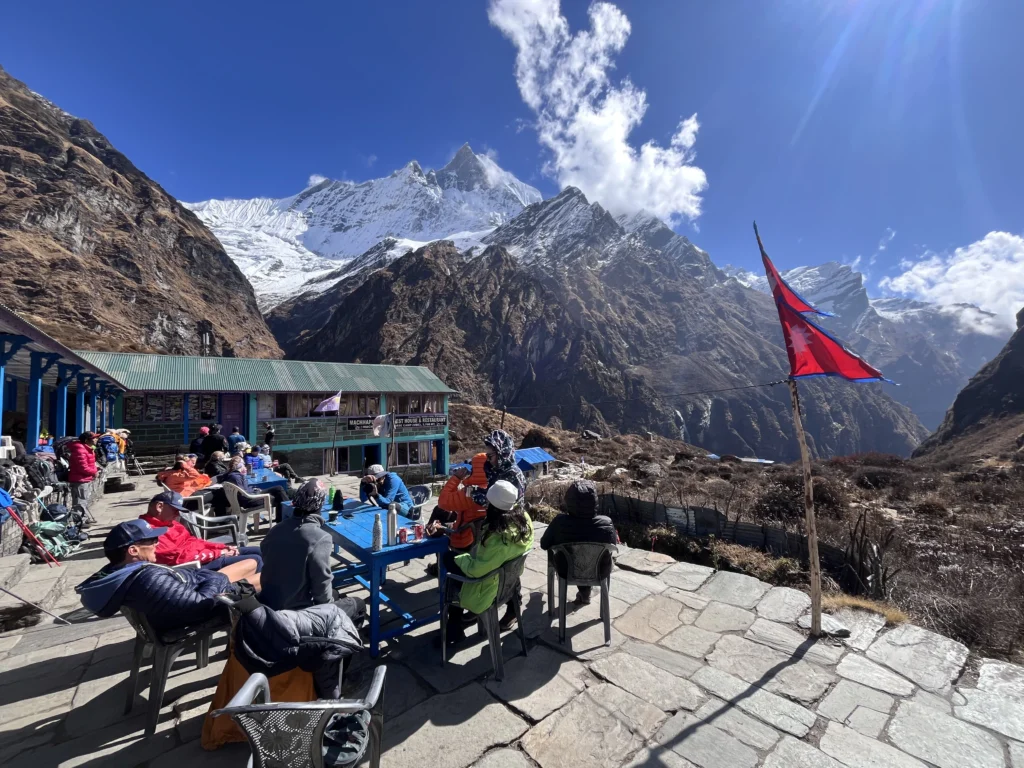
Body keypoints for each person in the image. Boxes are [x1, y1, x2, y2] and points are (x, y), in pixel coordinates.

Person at [75, 519, 236, 635]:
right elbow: (200, 606)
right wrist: (218, 577)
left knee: (251, 562)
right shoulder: (147, 578)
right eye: (152, 540)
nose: (157, 544)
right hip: (201, 610)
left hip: (186, 596)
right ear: (133, 551)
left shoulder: (119, 573)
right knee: (257, 578)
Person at [259, 479, 366, 626]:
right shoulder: (320, 538)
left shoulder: (275, 530)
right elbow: (321, 584)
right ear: (320, 504)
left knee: (334, 592)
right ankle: (337, 640)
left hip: (270, 603)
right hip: (297, 615)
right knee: (358, 604)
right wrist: (330, 609)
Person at [440, 480, 533, 646]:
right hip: (507, 583)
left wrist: (460, 558)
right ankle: (457, 625)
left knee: (449, 562)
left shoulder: (499, 537)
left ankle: (454, 627)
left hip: (488, 587)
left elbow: (476, 570)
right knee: (457, 562)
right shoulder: (523, 519)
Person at [140, 491, 263, 588]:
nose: (177, 514)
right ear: (159, 506)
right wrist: (217, 554)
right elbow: (178, 558)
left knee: (258, 550)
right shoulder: (149, 532)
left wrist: (221, 547)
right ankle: (258, 591)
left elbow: (193, 541)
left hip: (203, 556)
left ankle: (264, 583)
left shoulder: (170, 523)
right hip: (194, 567)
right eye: (175, 510)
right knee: (256, 559)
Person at [468, 430, 526, 628]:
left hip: (510, 525)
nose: (489, 459)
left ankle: (513, 607)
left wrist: (480, 496)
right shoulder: (496, 470)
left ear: (502, 453)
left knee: (509, 568)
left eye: (491, 455)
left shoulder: (513, 475)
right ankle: (481, 601)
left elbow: (505, 502)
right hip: (497, 521)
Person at [540, 479, 617, 605]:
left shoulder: (559, 522)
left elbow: (544, 544)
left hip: (566, 571)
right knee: (589, 556)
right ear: (595, 501)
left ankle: (582, 593)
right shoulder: (606, 523)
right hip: (598, 571)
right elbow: (613, 546)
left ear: (569, 501)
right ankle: (585, 592)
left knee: (564, 554)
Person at [423, 454, 489, 577]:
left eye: (472, 467)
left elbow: (443, 501)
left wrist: (456, 478)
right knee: (441, 514)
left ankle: (439, 566)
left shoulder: (472, 492)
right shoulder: (491, 489)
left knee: (437, 524)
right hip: (478, 536)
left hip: (463, 538)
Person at [219, 455, 291, 522]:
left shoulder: (231, 475)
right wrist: (255, 492)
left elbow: (243, 490)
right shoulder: (236, 477)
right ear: (240, 465)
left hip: (250, 496)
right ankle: (288, 516)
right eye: (243, 464)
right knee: (278, 492)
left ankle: (282, 519)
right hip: (250, 500)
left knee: (279, 491)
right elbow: (244, 494)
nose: (245, 466)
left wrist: (255, 489)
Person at [68, 431, 98, 509]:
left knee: (84, 500)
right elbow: (82, 467)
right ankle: (79, 519)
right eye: (93, 438)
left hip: (85, 478)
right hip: (79, 479)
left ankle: (83, 517)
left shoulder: (88, 449)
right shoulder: (80, 450)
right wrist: (94, 472)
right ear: (86, 440)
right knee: (80, 501)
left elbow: (92, 464)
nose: (96, 439)